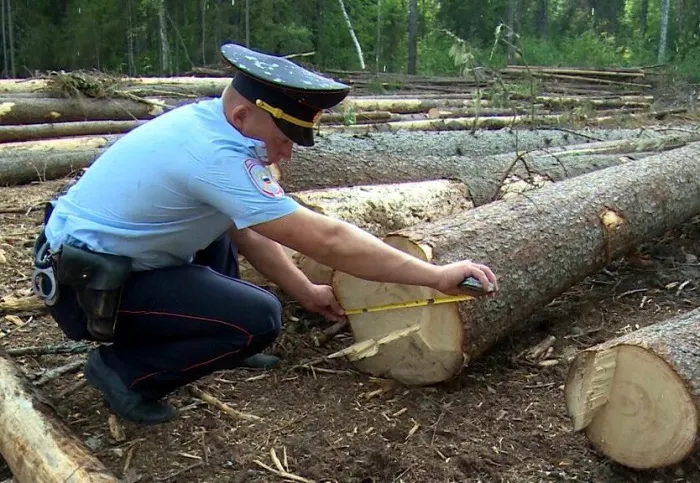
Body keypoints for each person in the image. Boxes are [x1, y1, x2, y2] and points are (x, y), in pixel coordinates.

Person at [31, 42, 499, 425]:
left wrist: (305, 289)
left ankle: (221, 341)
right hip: (88, 288)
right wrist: (434, 276)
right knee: (260, 318)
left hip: (101, 263)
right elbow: (328, 240)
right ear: (242, 117)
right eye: (283, 139)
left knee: (221, 230)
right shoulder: (216, 156)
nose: (287, 155)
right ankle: (124, 372)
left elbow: (247, 228)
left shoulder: (209, 122)